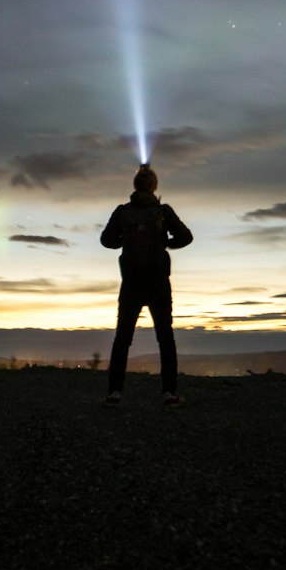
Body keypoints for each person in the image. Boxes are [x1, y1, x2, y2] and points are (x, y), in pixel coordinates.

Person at [101, 163, 192, 406]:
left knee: (123, 338)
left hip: (131, 283)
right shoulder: (163, 211)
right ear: (154, 186)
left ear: (135, 186)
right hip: (158, 283)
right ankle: (169, 393)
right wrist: (166, 244)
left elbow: (106, 240)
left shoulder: (122, 212)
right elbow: (186, 237)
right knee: (165, 338)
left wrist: (125, 240)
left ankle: (114, 393)